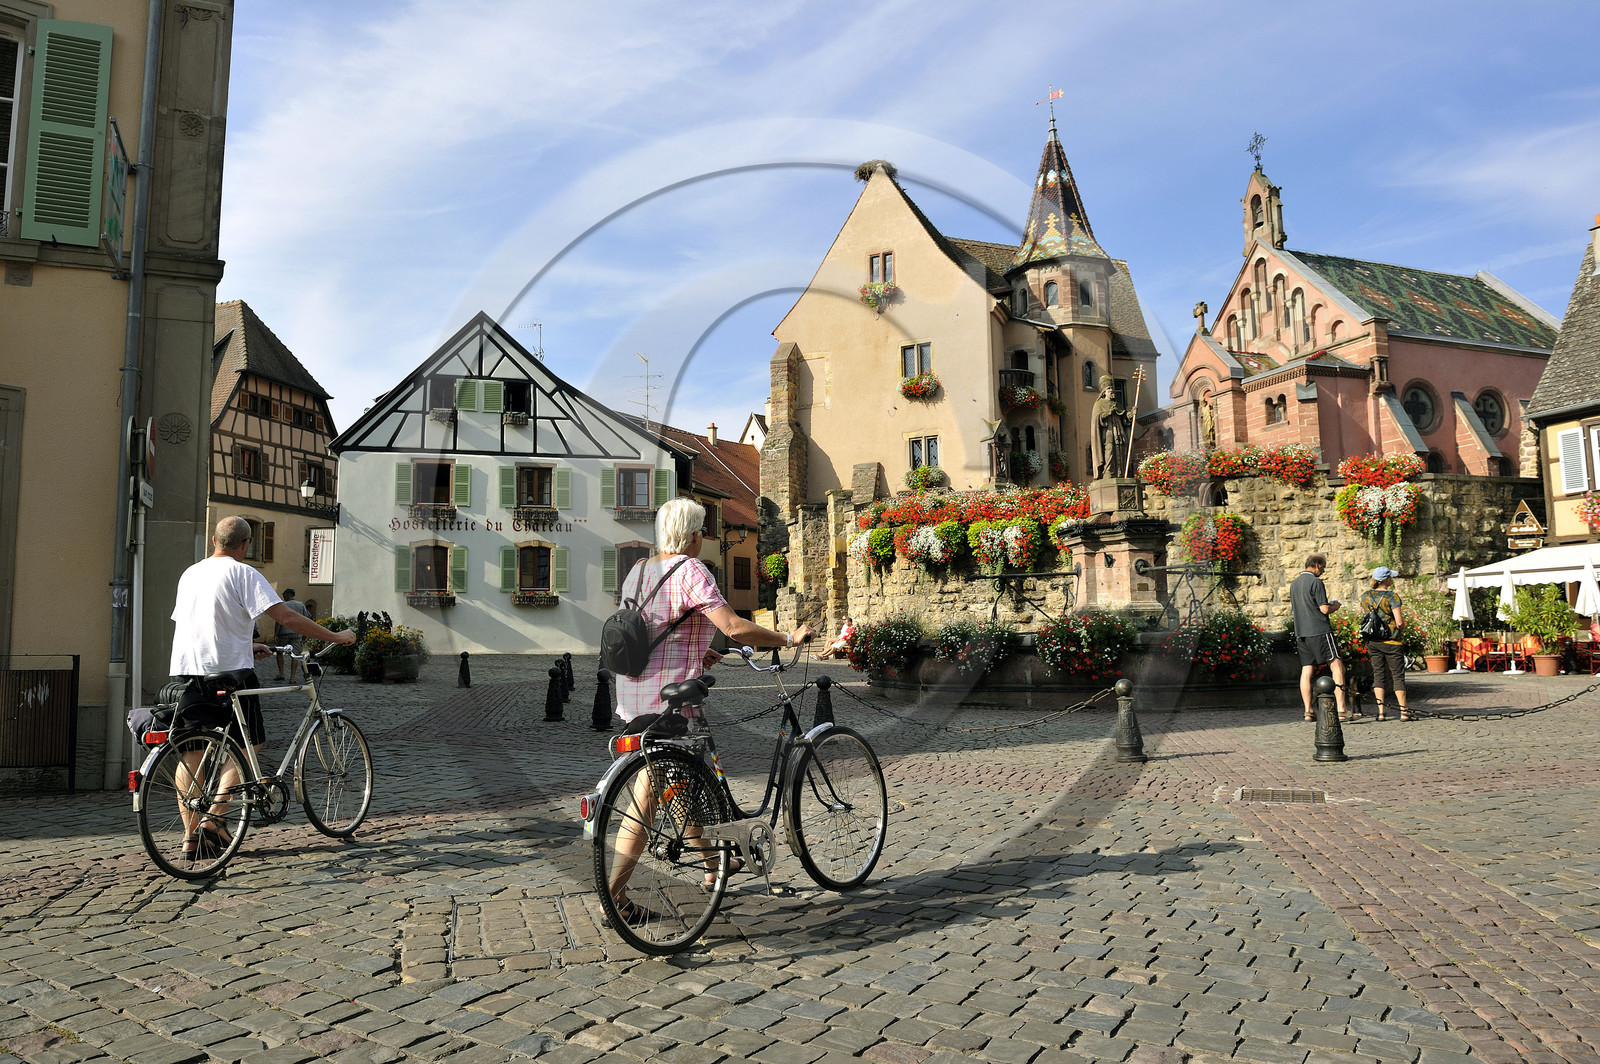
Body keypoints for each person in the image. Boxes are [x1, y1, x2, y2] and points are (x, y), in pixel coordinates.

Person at [607, 498, 815, 924]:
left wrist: (700, 658)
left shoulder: (638, 570)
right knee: (648, 795)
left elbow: (650, 631)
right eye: (701, 530)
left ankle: (713, 866)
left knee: (680, 781)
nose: (703, 538)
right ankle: (617, 897)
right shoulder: (691, 570)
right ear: (692, 535)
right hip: (668, 702)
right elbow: (734, 626)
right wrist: (787, 639)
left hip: (632, 696)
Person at [169, 516, 355, 857]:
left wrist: (246, 645)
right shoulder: (244, 573)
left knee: (191, 755)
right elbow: (286, 618)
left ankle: (190, 838)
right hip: (231, 676)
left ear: (214, 540)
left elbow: (199, 622)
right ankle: (214, 821)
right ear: (246, 545)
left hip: (188, 672)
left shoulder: (191, 573)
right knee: (246, 748)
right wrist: (335, 636)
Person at [1290, 552, 1348, 722]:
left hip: (1301, 633)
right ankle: (1342, 710)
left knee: (1307, 670)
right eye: (1322, 567)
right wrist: (1335, 606)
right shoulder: (1316, 582)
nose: (1323, 570)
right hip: (1320, 630)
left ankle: (1308, 711)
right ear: (1316, 564)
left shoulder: (1294, 584)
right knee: (1338, 667)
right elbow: (1324, 609)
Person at [1359, 566, 1409, 721]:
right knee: (1397, 676)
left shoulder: (1365, 596)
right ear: (1386, 579)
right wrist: (1399, 628)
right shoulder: (1392, 597)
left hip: (1374, 642)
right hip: (1392, 641)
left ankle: (1381, 712)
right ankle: (1404, 712)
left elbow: (1365, 617)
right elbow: (1399, 622)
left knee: (1378, 675)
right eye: (1390, 577)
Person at [1090, 376, 1128, 480]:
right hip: (1107, 431)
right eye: (1109, 389)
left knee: (1119, 449)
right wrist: (1107, 413)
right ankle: (1108, 472)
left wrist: (1130, 415)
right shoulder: (1099, 404)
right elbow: (1097, 418)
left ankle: (1120, 472)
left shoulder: (1117, 404)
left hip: (1119, 430)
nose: (1111, 391)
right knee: (1109, 450)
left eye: (1112, 389)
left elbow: (1124, 418)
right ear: (1104, 392)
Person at [273, 589, 311, 682]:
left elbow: (278, 621)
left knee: (279, 652)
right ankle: (292, 677)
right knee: (295, 655)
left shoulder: (283, 605)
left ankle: (281, 674)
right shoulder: (301, 605)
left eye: (283, 594)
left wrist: (276, 634)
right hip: (297, 633)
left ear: (287, 595)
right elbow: (306, 619)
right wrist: (305, 632)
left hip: (284, 633)